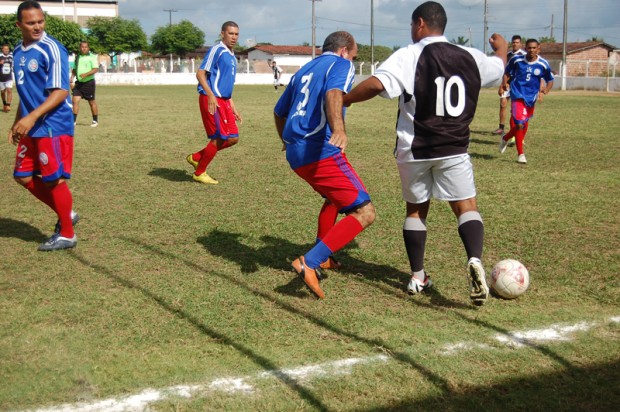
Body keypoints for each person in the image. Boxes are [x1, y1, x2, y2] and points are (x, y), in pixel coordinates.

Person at [344, 1, 507, 305]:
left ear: (419, 23)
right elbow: (498, 69)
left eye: (411, 25)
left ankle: (418, 276)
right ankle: (474, 259)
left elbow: (376, 84)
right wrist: (501, 48)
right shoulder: (470, 56)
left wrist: (347, 99)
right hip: (454, 148)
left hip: (414, 149)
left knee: (416, 210)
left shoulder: (410, 54)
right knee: (465, 207)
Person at [274, 31, 376, 299]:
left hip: (296, 153)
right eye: (353, 56)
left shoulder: (304, 69)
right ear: (344, 51)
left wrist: (286, 139)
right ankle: (310, 261)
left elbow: (279, 111)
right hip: (320, 151)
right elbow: (334, 93)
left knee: (333, 199)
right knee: (365, 213)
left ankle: (325, 254)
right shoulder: (340, 64)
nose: (352, 60)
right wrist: (338, 129)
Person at [9, 0, 78, 251]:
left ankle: (67, 234)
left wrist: (30, 117)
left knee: (53, 179)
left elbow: (60, 91)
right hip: (32, 123)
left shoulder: (52, 49)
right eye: (30, 23)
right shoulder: (18, 51)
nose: (37, 26)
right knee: (23, 176)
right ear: (19, 25)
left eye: (40, 21)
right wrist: (19, 121)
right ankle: (66, 212)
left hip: (53, 124)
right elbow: (25, 91)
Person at [186, 21, 242, 185]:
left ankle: (196, 157)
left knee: (233, 138)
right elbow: (200, 73)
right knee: (218, 137)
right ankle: (199, 172)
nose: (234, 37)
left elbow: (225, 83)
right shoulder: (217, 50)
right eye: (230, 33)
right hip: (212, 99)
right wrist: (210, 95)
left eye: (236, 34)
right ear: (222, 33)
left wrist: (232, 105)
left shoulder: (231, 55)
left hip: (224, 100)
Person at [499, 38, 554, 164]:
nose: (531, 50)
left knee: (523, 123)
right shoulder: (516, 60)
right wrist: (504, 83)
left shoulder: (543, 64)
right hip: (517, 94)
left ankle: (506, 138)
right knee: (519, 124)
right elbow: (507, 73)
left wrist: (545, 90)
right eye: (529, 48)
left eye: (534, 48)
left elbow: (550, 80)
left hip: (531, 97)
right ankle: (521, 154)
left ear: (538, 48)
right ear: (525, 48)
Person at [493, 35, 525, 137]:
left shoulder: (524, 56)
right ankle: (501, 128)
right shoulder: (508, 55)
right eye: (513, 42)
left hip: (519, 86)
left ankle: (517, 128)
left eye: (517, 42)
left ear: (521, 44)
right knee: (503, 104)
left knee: (516, 108)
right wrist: (502, 84)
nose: (515, 44)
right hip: (507, 84)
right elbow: (504, 70)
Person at [71, 40, 99, 127]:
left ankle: (95, 120)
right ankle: (73, 121)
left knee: (91, 102)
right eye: (82, 47)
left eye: (86, 47)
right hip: (79, 83)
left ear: (88, 48)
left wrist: (86, 74)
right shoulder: (77, 57)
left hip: (88, 83)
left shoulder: (92, 57)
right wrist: (71, 77)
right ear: (80, 48)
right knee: (75, 101)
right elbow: (74, 69)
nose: (84, 49)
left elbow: (95, 69)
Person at [0, 44, 14, 112]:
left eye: (7, 49)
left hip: (9, 77)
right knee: (2, 92)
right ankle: (4, 104)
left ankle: (8, 105)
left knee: (9, 90)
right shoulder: (0, 56)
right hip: (1, 78)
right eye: (5, 49)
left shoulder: (11, 56)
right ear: (2, 49)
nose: (6, 50)